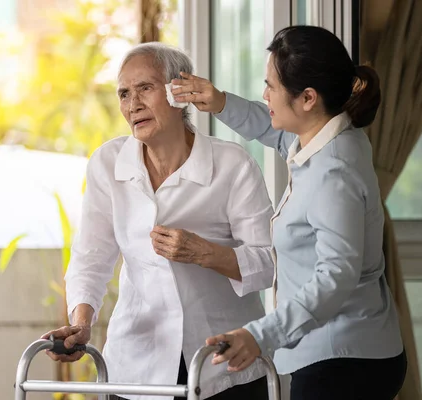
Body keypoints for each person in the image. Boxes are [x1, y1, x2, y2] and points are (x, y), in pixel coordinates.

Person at [172, 25, 406, 400]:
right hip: (349, 351)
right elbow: (276, 131)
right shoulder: (334, 136)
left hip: (343, 361)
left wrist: (259, 334)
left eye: (271, 88)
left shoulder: (333, 173)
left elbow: (336, 275)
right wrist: (221, 102)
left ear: (308, 98)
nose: (264, 95)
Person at [41, 43, 275, 400]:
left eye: (144, 88)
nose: (132, 104)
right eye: (123, 93)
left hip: (223, 368)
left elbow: (270, 263)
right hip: (137, 367)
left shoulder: (232, 164)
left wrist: (206, 253)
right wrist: (81, 324)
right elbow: (92, 257)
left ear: (178, 92)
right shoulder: (108, 163)